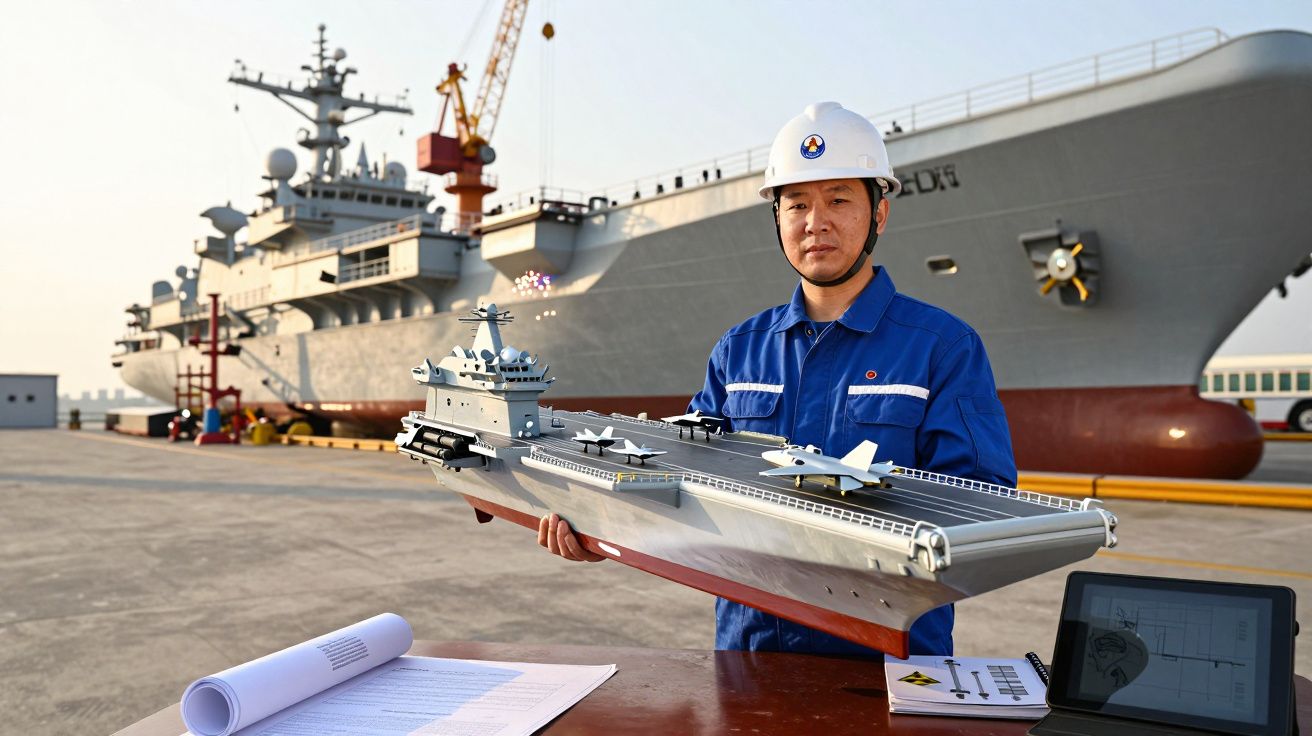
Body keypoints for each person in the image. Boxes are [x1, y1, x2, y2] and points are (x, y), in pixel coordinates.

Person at [539, 100, 1016, 658]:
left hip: (891, 666)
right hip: (750, 659)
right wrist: (604, 530)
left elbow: (980, 508)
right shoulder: (738, 350)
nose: (816, 222)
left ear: (879, 215)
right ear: (778, 219)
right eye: (797, 205)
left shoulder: (942, 347)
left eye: (839, 199)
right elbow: (679, 481)